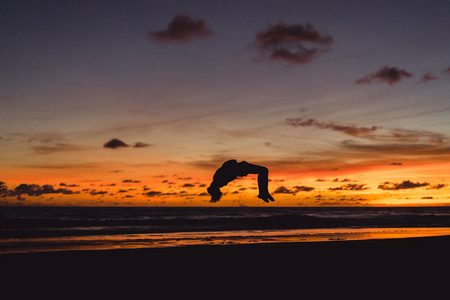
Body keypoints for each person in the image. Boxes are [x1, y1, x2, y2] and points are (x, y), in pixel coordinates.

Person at [207, 160, 275, 203]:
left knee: (264, 170)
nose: (225, 184)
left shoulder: (218, 179)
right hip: (241, 168)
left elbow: (229, 163)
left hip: (241, 167)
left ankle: (263, 193)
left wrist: (237, 170)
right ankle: (263, 193)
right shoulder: (217, 182)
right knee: (263, 170)